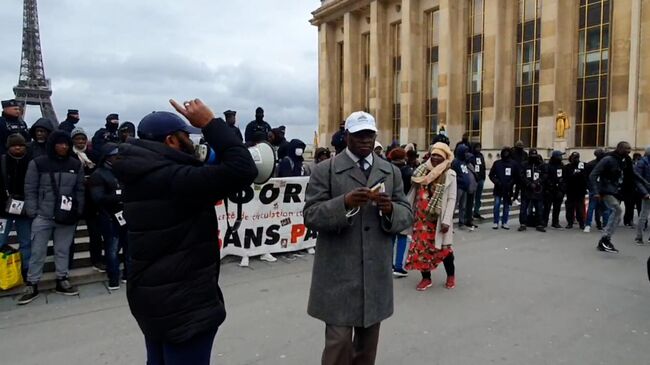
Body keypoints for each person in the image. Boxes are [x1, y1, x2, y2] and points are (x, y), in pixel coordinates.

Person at [112, 99, 257, 365]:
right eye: (186, 136)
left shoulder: (140, 172)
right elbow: (243, 169)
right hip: (183, 304)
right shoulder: (176, 179)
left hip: (151, 297)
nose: (193, 142)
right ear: (170, 140)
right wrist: (211, 123)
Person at [303, 111, 412, 365]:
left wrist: (390, 210)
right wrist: (344, 203)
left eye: (369, 135)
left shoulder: (390, 171)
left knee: (366, 349)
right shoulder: (325, 170)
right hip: (337, 274)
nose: (365, 140)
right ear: (347, 136)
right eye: (359, 135)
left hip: (375, 274)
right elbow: (310, 214)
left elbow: (406, 214)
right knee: (338, 343)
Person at [18, 130, 85, 305]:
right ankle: (32, 283)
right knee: (37, 251)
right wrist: (33, 211)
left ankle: (62, 279)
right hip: (43, 214)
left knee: (62, 250)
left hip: (67, 214)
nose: (63, 146)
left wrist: (79, 209)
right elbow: (30, 188)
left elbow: (79, 189)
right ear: (52, 144)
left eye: (66, 143)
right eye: (60, 143)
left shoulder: (75, 164)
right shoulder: (38, 163)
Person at [405, 142, 457, 291]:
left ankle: (451, 276)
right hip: (421, 219)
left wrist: (447, 220)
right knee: (421, 250)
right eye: (433, 154)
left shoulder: (450, 174)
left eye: (439, 155)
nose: (435, 158)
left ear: (445, 157)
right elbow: (413, 192)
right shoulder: (421, 171)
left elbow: (452, 198)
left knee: (445, 250)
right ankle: (426, 278)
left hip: (439, 220)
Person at [590, 141, 649, 253]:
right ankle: (604, 240)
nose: (629, 150)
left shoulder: (625, 160)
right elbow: (593, 175)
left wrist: (645, 182)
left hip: (617, 191)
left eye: (629, 148)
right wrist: (596, 191)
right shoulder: (607, 159)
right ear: (619, 148)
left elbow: (632, 174)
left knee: (617, 216)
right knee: (617, 209)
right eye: (626, 148)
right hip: (606, 191)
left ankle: (606, 239)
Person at [89, 143, 128, 290]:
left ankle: (127, 274)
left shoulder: (123, 171)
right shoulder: (98, 174)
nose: (118, 158)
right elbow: (98, 198)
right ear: (107, 157)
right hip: (109, 216)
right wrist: (118, 195)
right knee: (112, 249)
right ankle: (113, 277)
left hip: (125, 214)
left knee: (128, 247)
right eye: (115, 156)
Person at [70, 127, 105, 272]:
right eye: (77, 139)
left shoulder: (93, 155)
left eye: (83, 139)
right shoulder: (69, 156)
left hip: (91, 199)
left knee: (95, 233)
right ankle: (67, 262)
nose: (80, 141)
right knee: (69, 234)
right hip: (74, 198)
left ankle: (96, 260)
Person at [0, 134, 33, 278]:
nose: (18, 147)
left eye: (20, 145)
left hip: (24, 208)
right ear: (9, 147)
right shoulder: (2, 161)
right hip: (2, 209)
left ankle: (25, 270)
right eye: (14, 145)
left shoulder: (31, 162)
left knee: (26, 242)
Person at [388, 148, 413, 277]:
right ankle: (399, 266)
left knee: (391, 237)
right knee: (402, 236)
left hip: (390, 205)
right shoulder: (408, 171)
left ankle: (388, 264)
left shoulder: (387, 170)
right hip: (403, 204)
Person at [489, 147, 519, 230]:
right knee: (497, 205)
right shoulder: (497, 163)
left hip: (508, 188)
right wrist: (497, 182)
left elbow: (516, 176)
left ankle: (504, 222)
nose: (506, 154)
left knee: (506, 206)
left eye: (507, 152)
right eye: (504, 152)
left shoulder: (514, 164)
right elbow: (491, 175)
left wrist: (511, 183)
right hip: (498, 187)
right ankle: (496, 222)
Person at [518, 149, 546, 232]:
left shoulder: (541, 165)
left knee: (539, 208)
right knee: (523, 208)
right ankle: (523, 224)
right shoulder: (524, 164)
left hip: (538, 190)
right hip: (527, 190)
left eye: (535, 156)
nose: (533, 157)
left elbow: (544, 174)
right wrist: (529, 183)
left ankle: (539, 224)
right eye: (532, 156)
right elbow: (521, 175)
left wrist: (538, 182)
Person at [584, 148, 609, 232]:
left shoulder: (590, 164)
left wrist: (589, 187)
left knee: (592, 207)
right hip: (602, 188)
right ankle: (605, 225)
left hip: (594, 188)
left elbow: (587, 177)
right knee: (605, 208)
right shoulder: (606, 164)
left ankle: (588, 225)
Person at [564, 152, 587, 229]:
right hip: (570, 190)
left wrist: (580, 174)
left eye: (577, 157)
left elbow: (585, 176)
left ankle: (581, 223)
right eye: (574, 158)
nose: (576, 159)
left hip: (580, 190)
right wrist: (573, 175)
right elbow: (566, 177)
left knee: (580, 207)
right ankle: (570, 222)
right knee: (570, 207)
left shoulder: (583, 165)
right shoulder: (568, 167)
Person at [543, 150, 566, 229]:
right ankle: (544, 221)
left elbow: (564, 178)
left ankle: (555, 222)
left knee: (557, 207)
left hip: (559, 190)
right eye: (560, 156)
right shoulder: (548, 166)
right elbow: (546, 178)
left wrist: (562, 189)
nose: (561, 158)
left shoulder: (562, 166)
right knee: (547, 207)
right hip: (550, 190)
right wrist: (550, 185)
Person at [451, 144, 472, 229]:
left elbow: (471, 158)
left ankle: (461, 222)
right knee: (454, 205)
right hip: (458, 186)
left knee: (462, 206)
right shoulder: (456, 162)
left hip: (465, 187)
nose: (466, 153)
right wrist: (460, 180)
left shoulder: (464, 162)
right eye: (465, 152)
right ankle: (449, 222)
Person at [634, 147, 650, 244]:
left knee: (643, 214)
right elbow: (638, 180)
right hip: (647, 192)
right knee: (644, 215)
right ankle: (639, 237)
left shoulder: (642, 162)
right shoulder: (642, 163)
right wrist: (645, 193)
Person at [471, 142, 486, 220]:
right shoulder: (471, 156)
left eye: (479, 147)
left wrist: (483, 177)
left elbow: (483, 166)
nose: (478, 149)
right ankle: (470, 213)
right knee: (471, 197)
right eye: (477, 147)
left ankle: (476, 212)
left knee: (478, 197)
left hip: (480, 179)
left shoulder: (481, 156)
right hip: (473, 179)